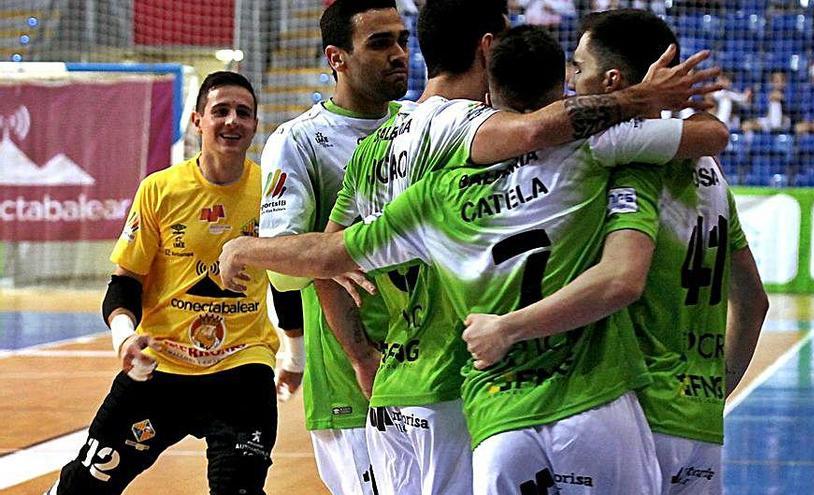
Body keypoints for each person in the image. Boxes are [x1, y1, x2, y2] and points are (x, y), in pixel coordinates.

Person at [218, 18, 730, 495]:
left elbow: (327, 254)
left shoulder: (435, 191)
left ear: (494, 82)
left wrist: (246, 247)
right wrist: (648, 99)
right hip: (590, 398)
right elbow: (711, 136)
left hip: (464, 403)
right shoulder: (597, 151)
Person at [463, 10, 768, 494]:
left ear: (611, 80)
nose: (570, 79)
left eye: (578, 67)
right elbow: (754, 303)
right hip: (701, 424)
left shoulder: (616, 157)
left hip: (634, 409)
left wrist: (507, 329)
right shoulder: (710, 171)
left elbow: (620, 279)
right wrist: (714, 393)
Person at [46, 72, 281, 495]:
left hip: (242, 370)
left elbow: (285, 276)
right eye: (220, 111)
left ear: (255, 124)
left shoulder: (271, 191)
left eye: (243, 113)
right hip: (160, 368)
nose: (232, 121)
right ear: (197, 121)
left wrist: (295, 354)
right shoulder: (160, 189)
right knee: (83, 487)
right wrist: (124, 338)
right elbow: (124, 282)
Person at [258, 1, 409, 493]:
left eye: (402, 40)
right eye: (380, 43)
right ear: (336, 58)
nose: (399, 54)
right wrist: (330, 252)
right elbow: (282, 270)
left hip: (433, 364)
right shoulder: (299, 141)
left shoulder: (420, 124)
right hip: (352, 376)